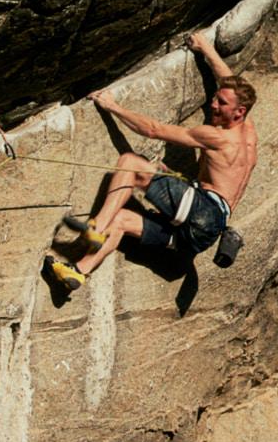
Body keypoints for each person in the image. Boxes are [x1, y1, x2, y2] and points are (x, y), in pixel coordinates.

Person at [43, 32, 258, 292]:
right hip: (205, 235)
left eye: (220, 103)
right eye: (215, 98)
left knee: (130, 164)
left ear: (239, 112)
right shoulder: (249, 132)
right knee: (121, 219)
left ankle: (96, 229)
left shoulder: (216, 136)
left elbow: (154, 130)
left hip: (203, 210)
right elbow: (226, 80)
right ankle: (79, 271)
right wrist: (205, 48)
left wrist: (112, 106)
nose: (213, 104)